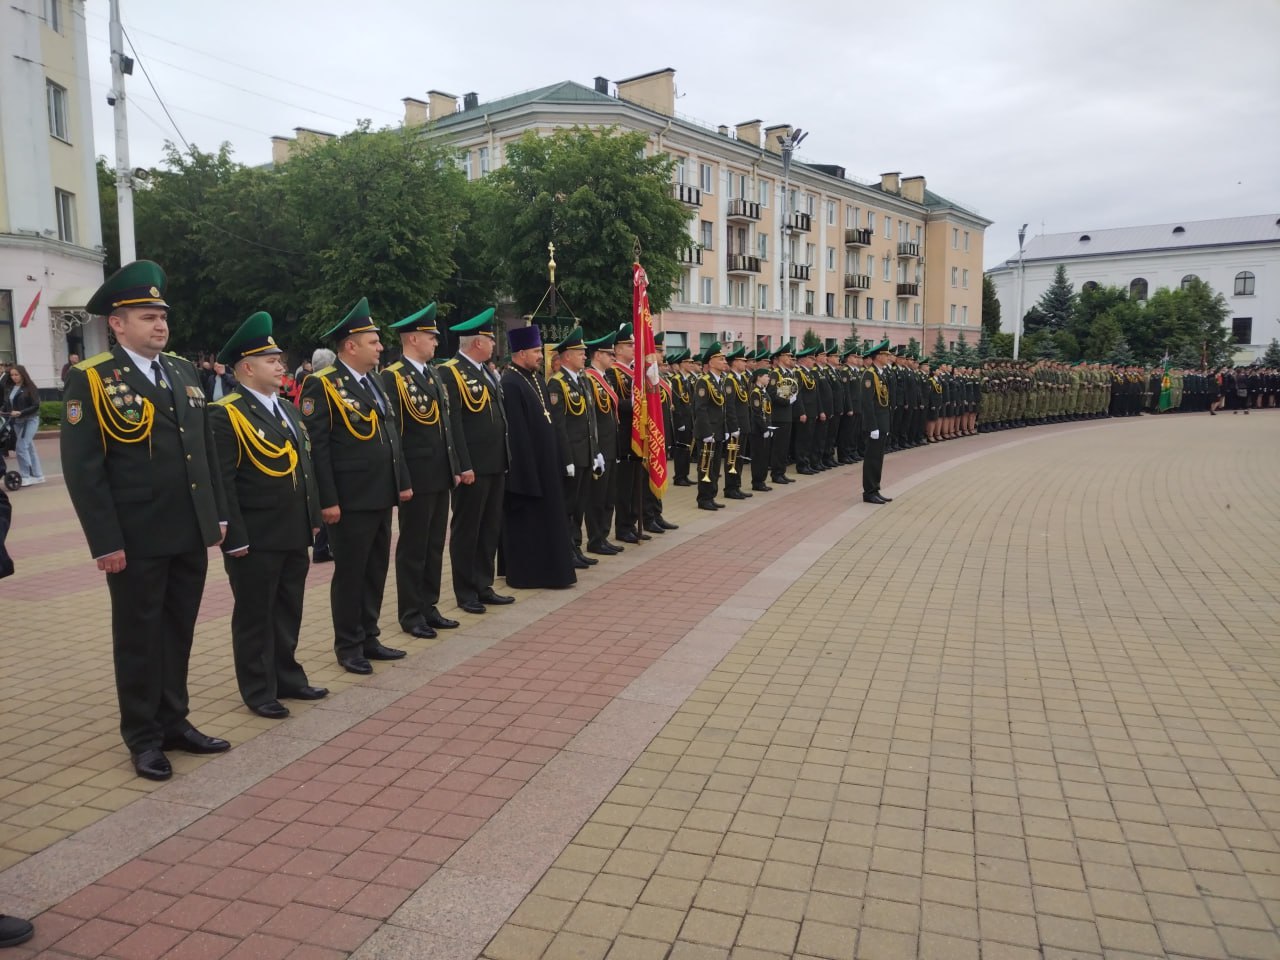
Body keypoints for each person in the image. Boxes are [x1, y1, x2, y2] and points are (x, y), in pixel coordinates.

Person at [62, 260, 230, 781]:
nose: (159, 324)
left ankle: (174, 720)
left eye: (162, 315)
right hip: (135, 538)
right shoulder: (92, 379)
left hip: (187, 530)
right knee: (139, 636)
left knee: (178, 630)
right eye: (146, 316)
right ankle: (142, 735)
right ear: (117, 323)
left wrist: (217, 516)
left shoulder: (182, 371)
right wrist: (104, 542)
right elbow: (84, 471)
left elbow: (202, 453)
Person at [209, 311, 328, 719]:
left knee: (288, 607)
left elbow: (304, 466)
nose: (281, 366)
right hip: (256, 536)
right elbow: (223, 482)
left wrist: (312, 514)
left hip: (293, 529)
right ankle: (258, 688)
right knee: (255, 614)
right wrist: (234, 536)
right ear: (246, 368)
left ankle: (287, 676)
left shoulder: (288, 410)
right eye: (271, 361)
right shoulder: (225, 413)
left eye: (280, 359)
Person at [299, 296, 412, 675]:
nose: (381, 347)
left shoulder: (375, 382)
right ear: (350, 345)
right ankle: (348, 646)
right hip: (348, 500)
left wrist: (402, 483)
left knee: (375, 567)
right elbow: (319, 449)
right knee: (350, 573)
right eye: (373, 341)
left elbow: (392, 437)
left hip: (379, 494)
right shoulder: (323, 385)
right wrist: (327, 501)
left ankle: (369, 635)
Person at [382, 303, 463, 640]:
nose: (435, 342)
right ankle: (410, 612)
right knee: (413, 547)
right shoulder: (393, 376)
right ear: (413, 338)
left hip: (439, 473)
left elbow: (446, 425)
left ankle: (429, 605)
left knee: (432, 546)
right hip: (416, 476)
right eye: (430, 336)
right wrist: (402, 479)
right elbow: (394, 433)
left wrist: (454, 466)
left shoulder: (431, 374)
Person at [441, 308, 513, 614]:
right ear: (477, 342)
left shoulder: (486, 371)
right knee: (468, 529)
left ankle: (484, 584)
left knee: (489, 527)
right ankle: (465, 590)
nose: (494, 343)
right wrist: (463, 465)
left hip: (495, 463)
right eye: (490, 338)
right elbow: (453, 423)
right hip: (473, 466)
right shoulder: (451, 371)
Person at [500, 323, 577, 589]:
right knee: (530, 526)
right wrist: (529, 475)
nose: (540, 356)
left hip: (546, 466)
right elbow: (518, 436)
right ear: (520, 353)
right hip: (529, 471)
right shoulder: (510, 383)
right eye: (535, 351)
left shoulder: (533, 378)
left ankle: (552, 571)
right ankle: (530, 575)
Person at [548, 326, 601, 570]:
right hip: (571, 456)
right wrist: (566, 458)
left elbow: (590, 420)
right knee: (568, 505)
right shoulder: (557, 384)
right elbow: (559, 426)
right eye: (580, 352)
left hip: (586, 453)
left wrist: (596, 450)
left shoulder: (582, 380)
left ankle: (576, 547)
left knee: (580, 504)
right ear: (567, 356)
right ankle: (567, 549)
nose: (584, 356)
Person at [584, 331, 625, 555]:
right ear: (598, 355)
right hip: (600, 446)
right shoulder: (589, 379)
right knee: (597, 498)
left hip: (611, 445)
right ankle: (594, 538)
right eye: (610, 354)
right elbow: (591, 418)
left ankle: (604, 535)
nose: (613, 358)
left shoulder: (606, 378)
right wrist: (596, 449)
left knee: (609, 496)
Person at [693, 342, 729, 510]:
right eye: (720, 359)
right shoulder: (704, 382)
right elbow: (701, 409)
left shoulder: (720, 381)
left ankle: (711, 495)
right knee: (706, 466)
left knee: (715, 467)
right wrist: (707, 432)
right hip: (708, 432)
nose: (724, 362)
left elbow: (722, 408)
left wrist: (725, 430)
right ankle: (704, 498)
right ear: (711, 362)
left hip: (719, 431)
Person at [860, 340, 894, 505]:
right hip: (874, 425)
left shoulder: (882, 373)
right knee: (872, 459)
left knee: (878, 458)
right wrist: (873, 426)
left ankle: (875, 489)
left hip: (882, 423)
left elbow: (884, 401)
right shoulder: (869, 374)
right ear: (877, 356)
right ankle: (869, 492)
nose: (888, 357)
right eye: (885, 355)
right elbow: (867, 403)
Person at [3, 365, 44, 486]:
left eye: (17, 375)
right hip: (17, 422)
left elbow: (36, 405)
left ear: (22, 375)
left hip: (29, 420)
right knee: (29, 448)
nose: (14, 377)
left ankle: (26, 476)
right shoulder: (10, 388)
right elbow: (8, 404)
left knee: (21, 447)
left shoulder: (30, 388)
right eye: (12, 375)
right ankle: (38, 475)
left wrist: (21, 412)